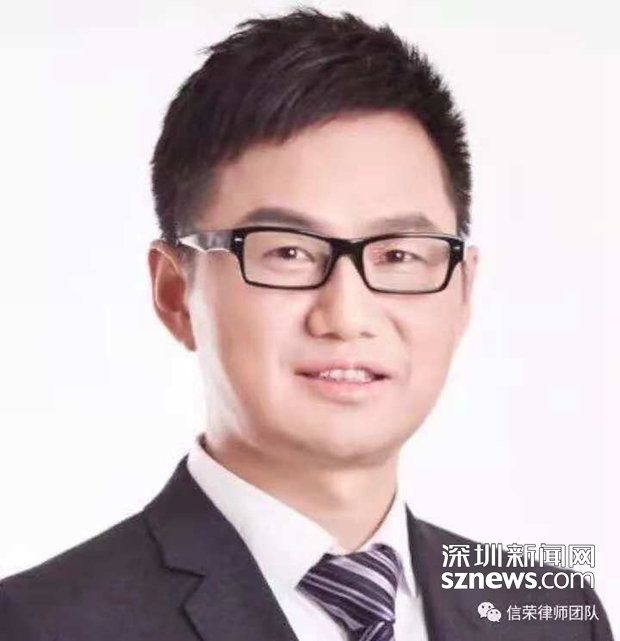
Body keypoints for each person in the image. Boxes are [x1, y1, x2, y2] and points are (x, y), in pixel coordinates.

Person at [0, 7, 613, 640]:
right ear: (176, 293)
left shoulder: (552, 615)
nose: (347, 315)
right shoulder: (40, 625)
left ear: (462, 291)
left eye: (398, 255)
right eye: (288, 252)